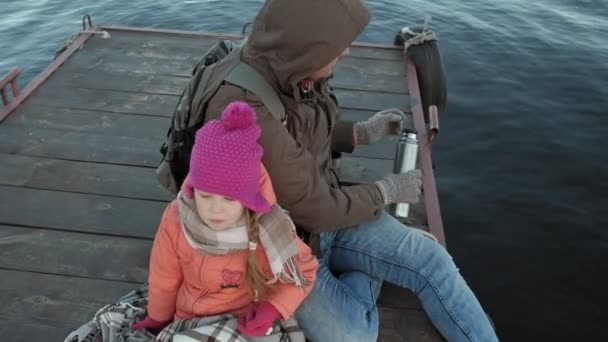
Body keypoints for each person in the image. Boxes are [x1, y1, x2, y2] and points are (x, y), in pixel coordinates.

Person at [196, 0, 499, 340]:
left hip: (323, 214)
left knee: (433, 261)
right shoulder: (243, 106)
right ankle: (363, 267)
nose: (348, 50)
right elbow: (312, 206)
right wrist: (385, 192)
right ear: (308, 43)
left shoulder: (287, 65)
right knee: (355, 336)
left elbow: (296, 132)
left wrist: (357, 133)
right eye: (337, 44)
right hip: (278, 248)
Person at [133, 101, 318, 337]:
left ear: (248, 199)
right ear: (192, 188)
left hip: (241, 321)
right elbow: (164, 277)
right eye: (206, 195)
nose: (215, 210)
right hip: (188, 321)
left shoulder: (265, 227)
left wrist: (271, 309)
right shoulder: (176, 217)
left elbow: (304, 270)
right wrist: (157, 319)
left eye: (230, 200)